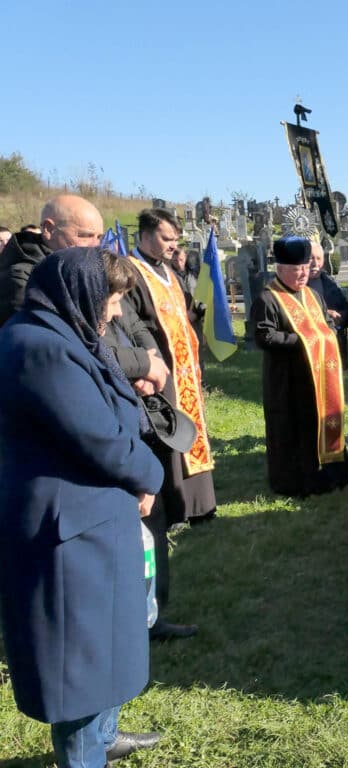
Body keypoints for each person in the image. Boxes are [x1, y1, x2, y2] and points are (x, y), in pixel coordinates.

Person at [0, 247, 164, 768]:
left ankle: (104, 735)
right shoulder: (41, 347)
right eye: (111, 298)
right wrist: (152, 474)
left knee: (102, 647)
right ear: (79, 291)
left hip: (91, 521)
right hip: (68, 532)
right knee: (77, 660)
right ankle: (83, 756)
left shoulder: (61, 335)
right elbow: (100, 439)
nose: (114, 312)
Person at [124, 208, 214, 639]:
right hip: (160, 370)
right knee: (168, 435)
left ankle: (191, 502)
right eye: (165, 239)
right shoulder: (133, 271)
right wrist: (155, 356)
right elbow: (135, 322)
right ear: (144, 236)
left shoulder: (166, 270)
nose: (172, 246)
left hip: (183, 366)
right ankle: (174, 499)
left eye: (176, 240)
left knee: (187, 429)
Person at [251, 237, 348, 497]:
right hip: (288, 380)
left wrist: (328, 333)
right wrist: (303, 341)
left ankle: (330, 473)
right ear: (281, 269)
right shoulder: (268, 298)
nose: (303, 274)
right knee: (292, 429)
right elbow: (264, 337)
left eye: (306, 267)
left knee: (320, 422)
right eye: (297, 269)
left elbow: (324, 326)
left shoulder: (313, 294)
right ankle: (296, 482)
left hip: (320, 377)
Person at [0, 194, 104, 326]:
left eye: (99, 237)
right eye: (84, 235)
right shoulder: (21, 279)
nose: (95, 245)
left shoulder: (81, 269)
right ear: (49, 229)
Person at [307, 239, 348, 370]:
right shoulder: (296, 286)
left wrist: (340, 316)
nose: (315, 263)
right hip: (309, 349)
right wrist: (325, 315)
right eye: (310, 258)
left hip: (334, 347)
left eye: (318, 258)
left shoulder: (330, 283)